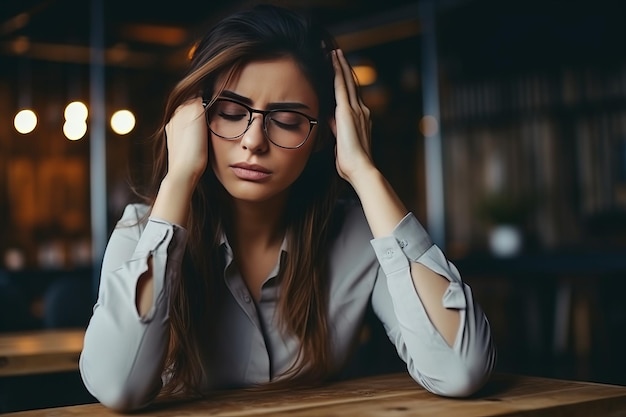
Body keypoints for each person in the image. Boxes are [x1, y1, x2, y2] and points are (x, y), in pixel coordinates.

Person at [79, 4, 496, 411]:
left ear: (321, 136)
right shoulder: (142, 231)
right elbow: (119, 387)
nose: (254, 141)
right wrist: (180, 177)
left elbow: (460, 369)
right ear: (194, 117)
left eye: (287, 120)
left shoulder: (359, 234)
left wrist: (364, 172)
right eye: (229, 112)